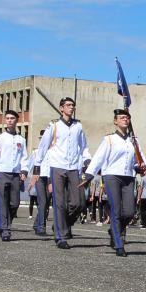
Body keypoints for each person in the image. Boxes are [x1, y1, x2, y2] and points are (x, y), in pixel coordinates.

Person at [83, 109, 146, 257]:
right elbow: (99, 158)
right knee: (116, 210)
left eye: (127, 117)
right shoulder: (109, 139)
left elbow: (139, 158)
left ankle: (114, 229)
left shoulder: (133, 141)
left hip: (128, 177)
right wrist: (89, 174)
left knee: (130, 211)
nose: (125, 119)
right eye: (121, 117)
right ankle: (119, 244)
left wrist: (143, 167)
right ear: (115, 121)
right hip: (112, 177)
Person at [32, 97, 92, 249]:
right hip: (57, 166)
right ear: (61, 108)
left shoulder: (78, 126)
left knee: (78, 203)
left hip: (74, 168)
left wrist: (87, 161)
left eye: (73, 105)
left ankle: (62, 224)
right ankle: (60, 236)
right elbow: (43, 145)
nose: (71, 107)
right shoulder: (54, 125)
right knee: (59, 203)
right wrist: (37, 167)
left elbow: (83, 146)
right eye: (68, 105)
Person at [0, 110, 29, 241]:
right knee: (3, 202)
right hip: (2, 173)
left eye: (12, 118)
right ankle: (5, 229)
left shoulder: (21, 139)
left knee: (14, 203)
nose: (10, 120)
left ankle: (4, 223)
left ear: (17, 120)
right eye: (8, 118)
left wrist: (24, 171)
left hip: (16, 175)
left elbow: (24, 157)